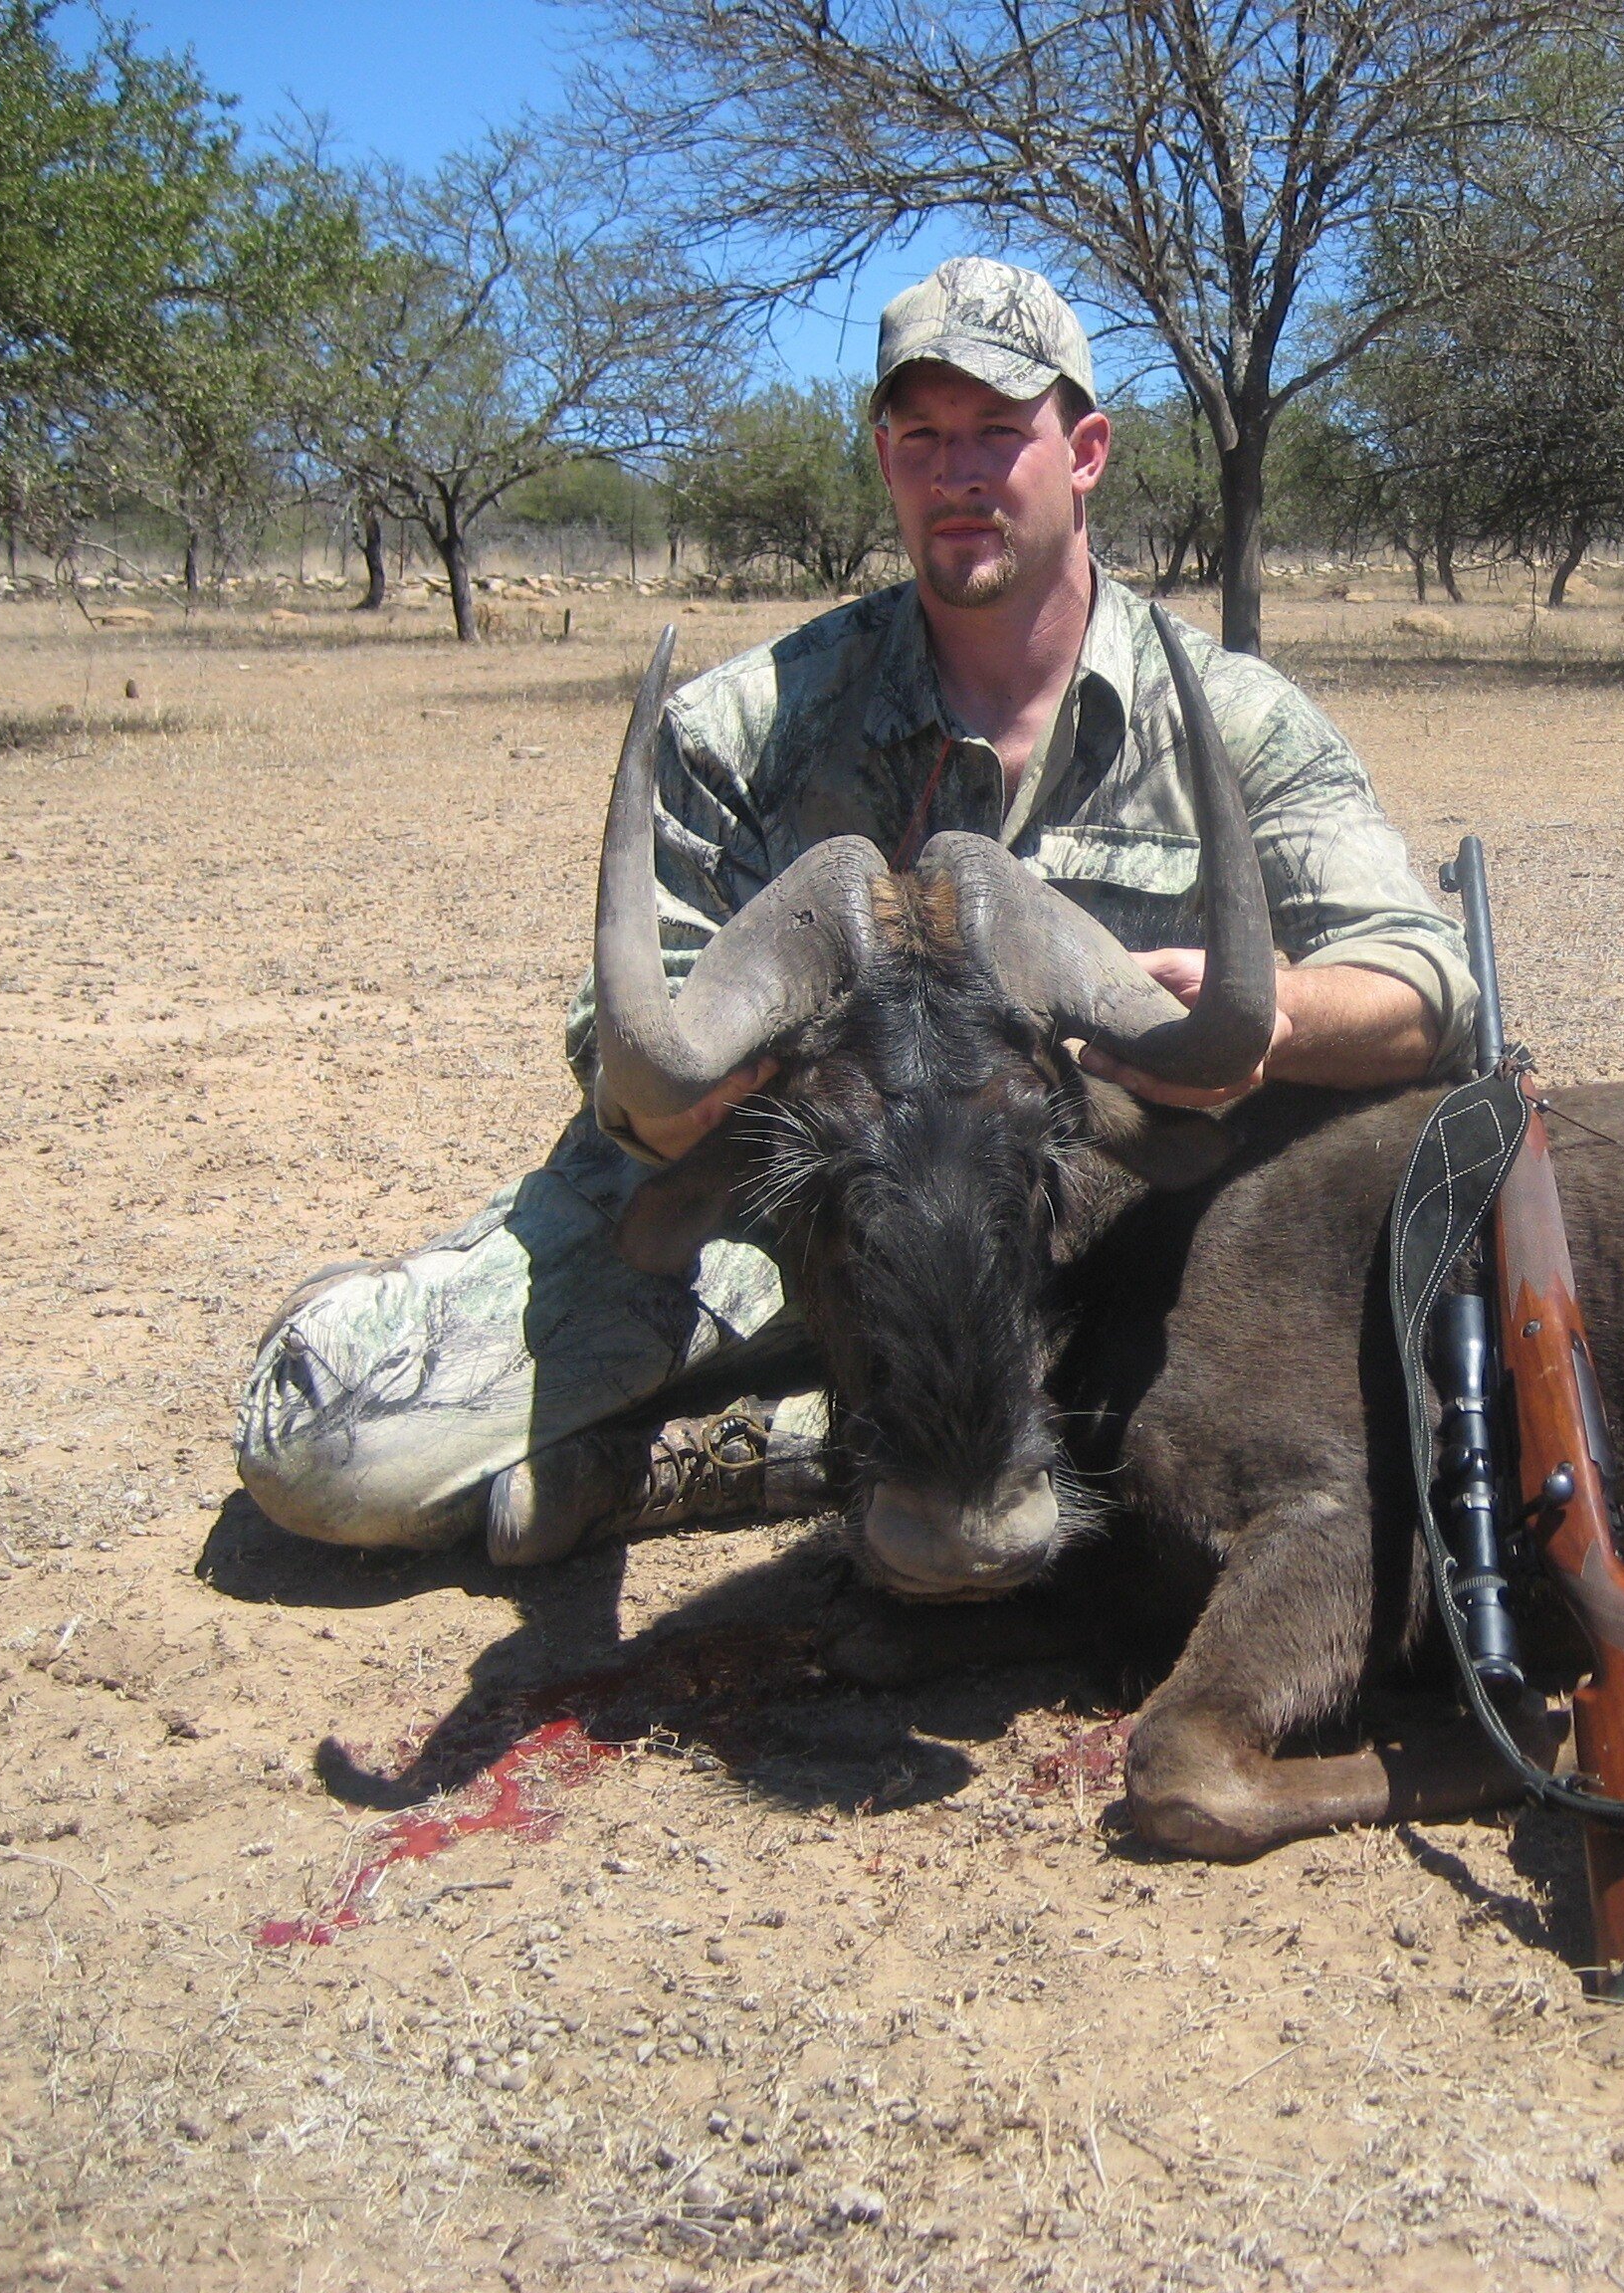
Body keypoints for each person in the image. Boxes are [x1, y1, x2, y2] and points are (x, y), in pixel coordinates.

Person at [236, 256, 1472, 1566]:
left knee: (1233, 1417)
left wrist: (1267, 1013)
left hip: (1073, 1228)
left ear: (1086, 450)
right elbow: (629, 1032)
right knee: (325, 1450)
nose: (961, 473)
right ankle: (717, 1417)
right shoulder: (749, 720)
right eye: (924, 437)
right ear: (884, 457)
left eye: (1001, 431)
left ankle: (689, 1460)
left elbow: (1426, 981)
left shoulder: (1234, 720)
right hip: (777, 1207)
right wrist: (682, 1089)